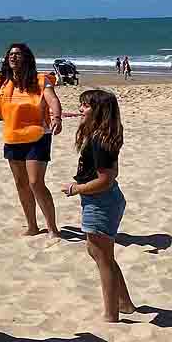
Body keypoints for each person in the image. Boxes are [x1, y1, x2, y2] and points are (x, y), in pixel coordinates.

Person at [0, 43, 63, 237]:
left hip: (38, 136)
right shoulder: (1, 82)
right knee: (21, 184)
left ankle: (52, 228)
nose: (13, 57)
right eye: (11, 54)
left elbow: (52, 99)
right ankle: (32, 226)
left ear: (26, 58)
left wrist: (56, 117)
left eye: (18, 54)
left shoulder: (40, 80)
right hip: (13, 137)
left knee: (35, 182)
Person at [61, 89, 134, 322]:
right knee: (100, 252)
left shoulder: (100, 141)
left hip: (101, 201)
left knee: (102, 256)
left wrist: (76, 189)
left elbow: (105, 179)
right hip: (106, 198)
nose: (81, 109)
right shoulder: (104, 134)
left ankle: (111, 314)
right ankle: (124, 303)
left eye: (86, 106)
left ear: (99, 111)